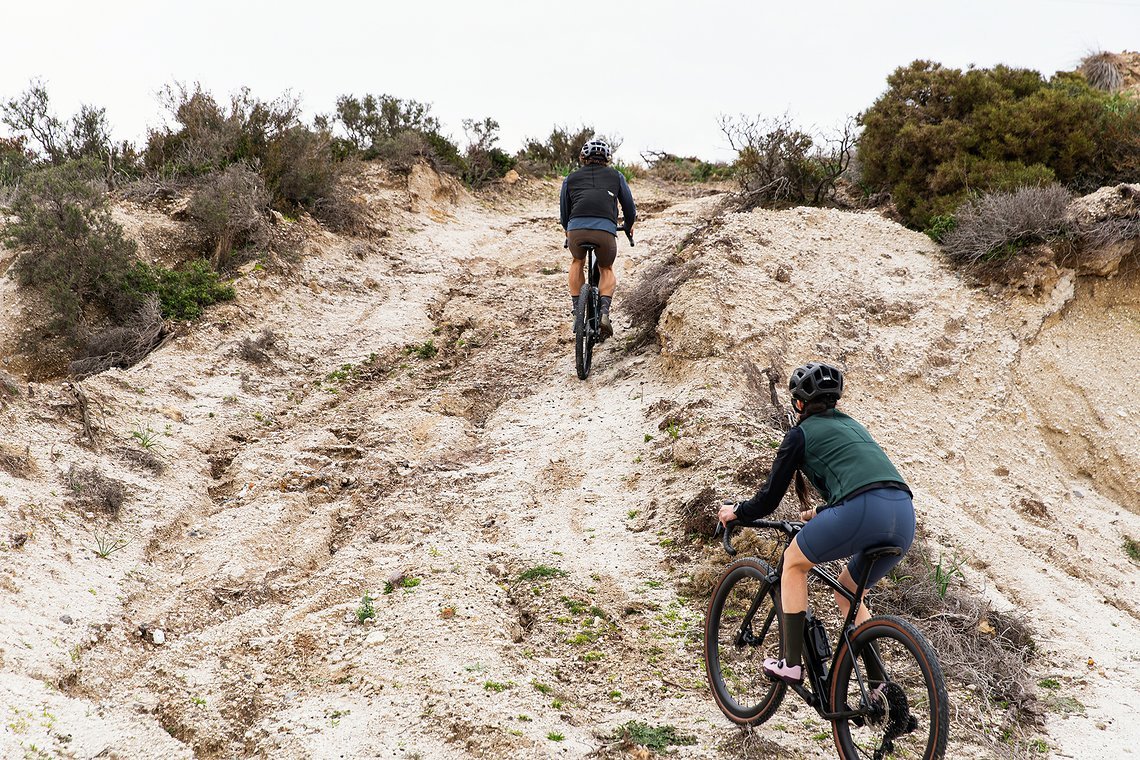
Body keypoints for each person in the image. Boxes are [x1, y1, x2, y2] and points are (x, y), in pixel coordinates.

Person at [717, 362, 916, 685]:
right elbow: (862, 481)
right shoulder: (854, 426)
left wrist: (737, 511)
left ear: (798, 403)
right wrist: (823, 513)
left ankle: (791, 664)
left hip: (861, 511)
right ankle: (881, 687)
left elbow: (768, 499)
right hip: (903, 514)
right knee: (850, 593)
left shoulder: (800, 434)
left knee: (793, 562)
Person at [559, 138, 636, 339]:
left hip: (576, 229)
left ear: (583, 157)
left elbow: (564, 214)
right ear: (607, 158)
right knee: (605, 268)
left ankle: (577, 312)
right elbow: (629, 209)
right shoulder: (616, 176)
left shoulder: (570, 178)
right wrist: (627, 227)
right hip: (605, 231)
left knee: (577, 260)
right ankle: (604, 314)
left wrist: (568, 230)